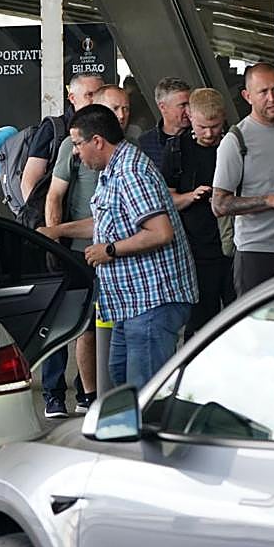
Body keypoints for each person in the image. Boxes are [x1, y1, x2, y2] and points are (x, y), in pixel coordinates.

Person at [71, 104, 197, 389]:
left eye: (78, 144)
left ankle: (150, 432)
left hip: (153, 300)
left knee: (143, 388)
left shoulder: (131, 172)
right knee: (120, 376)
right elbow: (107, 222)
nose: (76, 152)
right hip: (132, 303)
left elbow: (160, 232)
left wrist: (110, 250)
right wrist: (57, 231)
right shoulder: (114, 169)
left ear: (97, 141)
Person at [162, 88, 235, 339]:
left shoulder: (235, 144)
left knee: (237, 321)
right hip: (195, 252)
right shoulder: (176, 150)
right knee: (200, 326)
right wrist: (191, 196)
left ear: (223, 118)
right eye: (203, 126)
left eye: (215, 126)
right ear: (190, 116)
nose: (209, 133)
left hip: (234, 247)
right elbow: (165, 201)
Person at [212, 62, 274, 295]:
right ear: (247, 96)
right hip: (257, 254)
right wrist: (269, 200)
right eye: (263, 92)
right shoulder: (236, 140)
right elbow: (219, 204)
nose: (272, 98)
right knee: (258, 330)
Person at [20, 72, 105, 203]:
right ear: (72, 98)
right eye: (89, 95)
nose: (96, 100)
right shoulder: (53, 129)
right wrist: (38, 220)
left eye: (100, 95)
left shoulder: (108, 127)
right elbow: (30, 179)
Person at [138, 77, 192, 172]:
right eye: (182, 105)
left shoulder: (199, 137)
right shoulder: (145, 144)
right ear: (163, 107)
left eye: (190, 104)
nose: (189, 110)